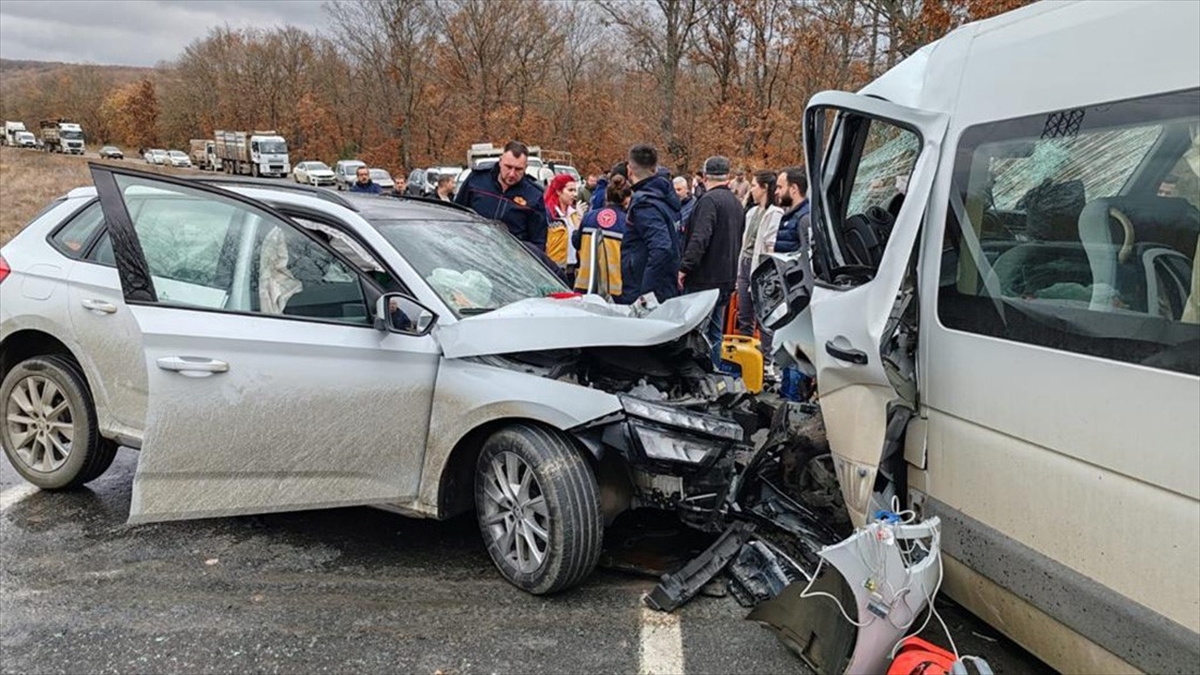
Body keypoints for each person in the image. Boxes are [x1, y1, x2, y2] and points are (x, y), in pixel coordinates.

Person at [679, 156, 744, 365]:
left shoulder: (708, 201)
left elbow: (700, 238)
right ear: (728, 177)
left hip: (704, 279)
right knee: (715, 334)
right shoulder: (736, 203)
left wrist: (684, 267)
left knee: (695, 335)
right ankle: (714, 372)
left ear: (705, 176)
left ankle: (696, 377)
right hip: (726, 277)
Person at [455, 140, 548, 249]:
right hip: (473, 250)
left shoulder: (534, 195)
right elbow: (457, 215)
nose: (512, 174)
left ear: (526, 167)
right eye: (508, 167)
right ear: (500, 161)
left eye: (518, 169)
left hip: (509, 258)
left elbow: (538, 243)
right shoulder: (476, 180)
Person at [619, 144, 681, 304]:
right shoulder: (666, 198)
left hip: (644, 288)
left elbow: (661, 247)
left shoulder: (644, 204)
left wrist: (645, 294)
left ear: (629, 169)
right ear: (654, 169)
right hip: (666, 283)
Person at [736, 170, 784, 353]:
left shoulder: (774, 213)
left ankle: (766, 358)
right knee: (744, 314)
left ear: (764, 188)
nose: (752, 190)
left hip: (760, 267)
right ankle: (744, 355)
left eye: (754, 186)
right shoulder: (751, 213)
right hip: (745, 264)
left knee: (763, 316)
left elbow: (769, 246)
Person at [573, 174, 632, 299]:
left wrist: (576, 227)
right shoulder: (627, 223)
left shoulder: (589, 217)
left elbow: (576, 243)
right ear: (627, 199)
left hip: (585, 285)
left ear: (606, 196)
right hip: (614, 289)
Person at [544, 173, 581, 281]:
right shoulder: (549, 214)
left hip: (572, 270)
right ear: (558, 191)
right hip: (554, 270)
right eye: (570, 190)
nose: (574, 194)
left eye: (575, 190)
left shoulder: (574, 214)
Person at [774, 167, 809, 255]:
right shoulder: (790, 216)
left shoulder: (804, 219)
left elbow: (806, 255)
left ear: (794, 188)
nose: (776, 192)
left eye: (780, 187)